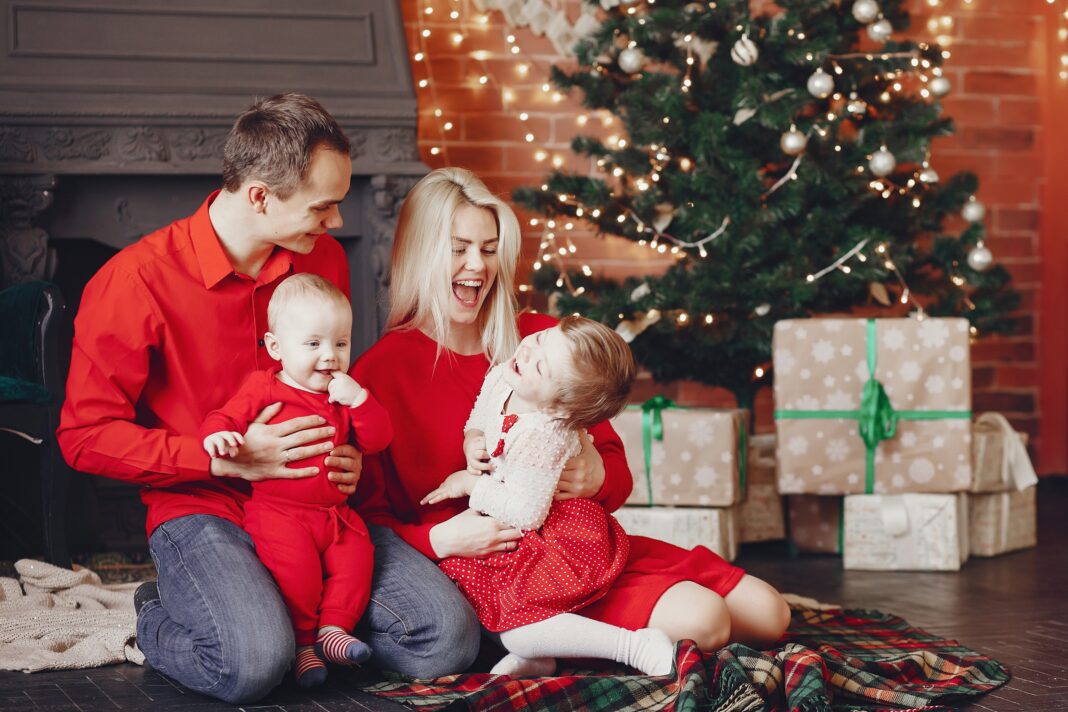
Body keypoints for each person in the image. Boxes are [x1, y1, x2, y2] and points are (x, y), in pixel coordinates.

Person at [57, 94, 476, 704]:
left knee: (446, 640)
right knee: (253, 665)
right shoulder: (134, 281)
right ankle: (158, 613)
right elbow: (83, 438)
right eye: (322, 206)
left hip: (321, 510)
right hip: (204, 508)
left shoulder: (321, 259)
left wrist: (350, 449)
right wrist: (224, 460)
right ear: (260, 196)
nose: (336, 220)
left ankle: (298, 630)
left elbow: (329, 386)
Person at [351, 167, 791, 675]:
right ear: (420, 253)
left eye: (490, 249)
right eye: (459, 248)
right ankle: (570, 643)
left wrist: (597, 476)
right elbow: (365, 521)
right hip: (503, 571)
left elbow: (616, 472)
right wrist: (436, 541)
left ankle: (562, 645)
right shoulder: (378, 373)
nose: (477, 265)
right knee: (705, 622)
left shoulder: (542, 339)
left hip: (583, 548)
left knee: (770, 614)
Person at [420, 315, 675, 676]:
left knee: (520, 629)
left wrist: (470, 485)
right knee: (475, 593)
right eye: (541, 338)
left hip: (556, 534)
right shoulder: (508, 375)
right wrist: (472, 437)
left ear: (557, 408)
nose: (528, 351)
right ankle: (540, 658)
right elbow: (483, 408)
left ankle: (634, 647)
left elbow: (527, 513)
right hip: (520, 523)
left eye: (541, 366)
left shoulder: (544, 434)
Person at [200, 273, 392, 687]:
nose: (330, 356)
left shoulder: (344, 394)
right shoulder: (264, 387)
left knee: (358, 560)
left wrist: (360, 400)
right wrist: (219, 436)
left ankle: (334, 631)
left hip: (336, 514)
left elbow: (378, 439)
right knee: (297, 577)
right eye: (313, 344)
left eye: (341, 343)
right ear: (276, 348)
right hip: (280, 514)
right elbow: (225, 417)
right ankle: (303, 644)